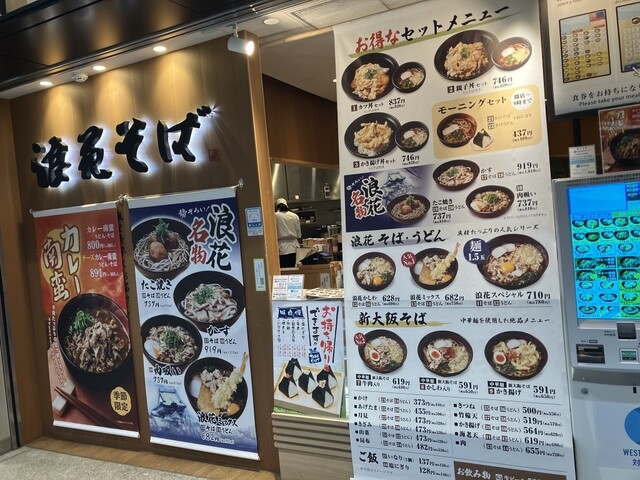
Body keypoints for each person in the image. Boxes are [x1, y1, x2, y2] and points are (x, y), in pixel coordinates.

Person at [274, 198, 301, 268]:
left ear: (276, 207)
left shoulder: (275, 216)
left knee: (284, 270)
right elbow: (299, 235)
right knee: (294, 270)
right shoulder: (294, 216)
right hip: (294, 247)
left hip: (281, 248)